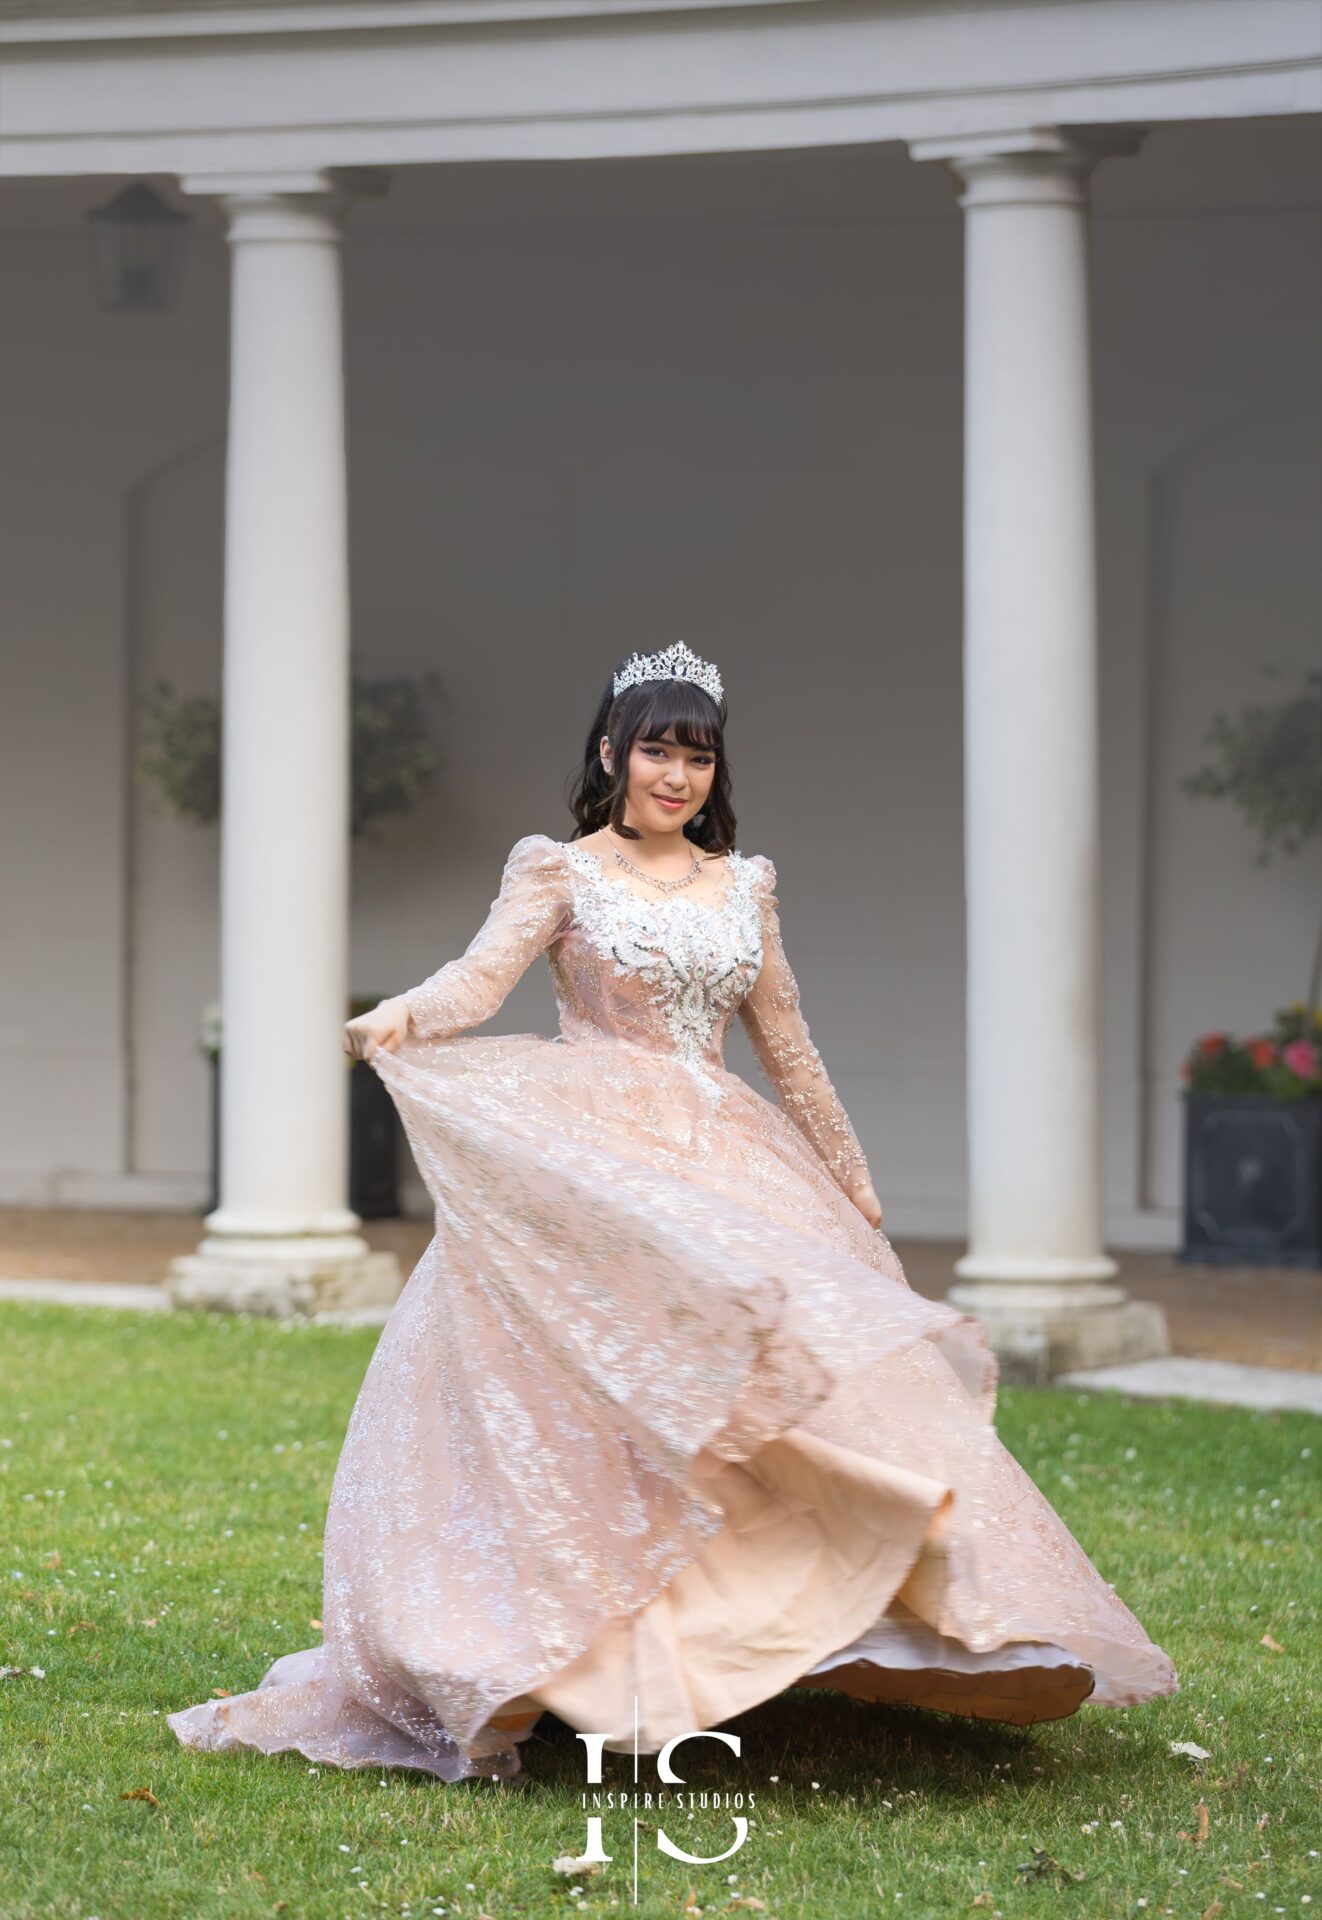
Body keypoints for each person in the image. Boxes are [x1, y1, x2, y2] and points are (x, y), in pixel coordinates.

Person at [167, 642, 1177, 1783]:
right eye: (656, 747)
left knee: (757, 1393)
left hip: (725, 1157)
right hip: (591, 1164)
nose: (676, 774)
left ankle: (787, 1628)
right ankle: (573, 1663)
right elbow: (478, 978)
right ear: (610, 751)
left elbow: (785, 1044)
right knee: (597, 1400)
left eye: (697, 754)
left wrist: (849, 1185)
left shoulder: (745, 883)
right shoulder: (556, 869)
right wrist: (400, 1015)